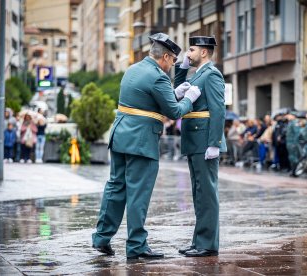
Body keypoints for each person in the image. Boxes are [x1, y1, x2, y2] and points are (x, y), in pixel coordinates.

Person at [91, 33, 201, 260]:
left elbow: (146, 100)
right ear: (167, 57)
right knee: (138, 194)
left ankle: (102, 237)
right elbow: (174, 112)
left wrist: (173, 93)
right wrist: (188, 97)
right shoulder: (158, 77)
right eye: (172, 61)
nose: (172, 66)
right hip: (141, 141)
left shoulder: (133, 69)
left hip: (120, 136)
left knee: (115, 188)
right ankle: (136, 245)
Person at [175, 36, 226, 257]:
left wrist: (214, 143)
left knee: (206, 193)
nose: (188, 53)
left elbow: (218, 110)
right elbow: (177, 90)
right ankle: (199, 241)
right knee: (198, 193)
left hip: (204, 141)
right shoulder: (198, 74)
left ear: (203, 52)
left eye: (191, 50)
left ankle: (207, 244)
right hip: (194, 140)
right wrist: (182, 67)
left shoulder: (212, 75)